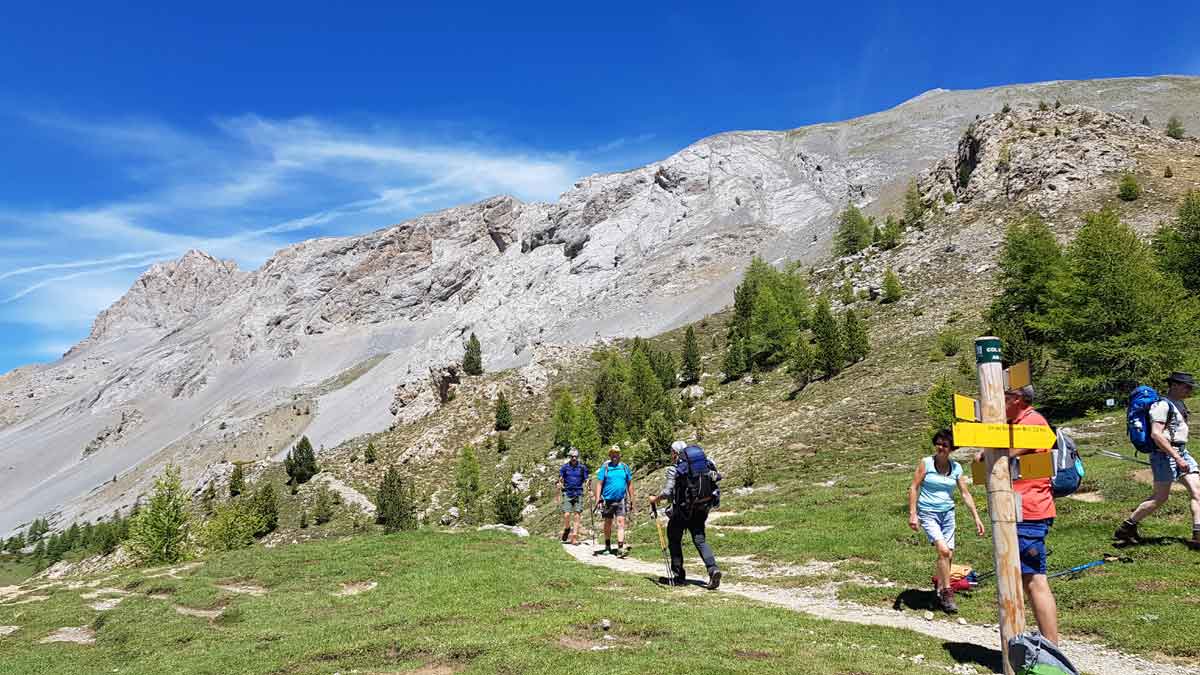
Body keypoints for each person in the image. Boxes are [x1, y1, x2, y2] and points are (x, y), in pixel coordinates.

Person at [977, 384, 1059, 643]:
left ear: (1018, 399)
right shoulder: (1018, 424)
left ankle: (1052, 646)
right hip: (1018, 509)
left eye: (1005, 398)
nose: (999, 403)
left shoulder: (1032, 422)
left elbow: (1000, 456)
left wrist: (988, 449)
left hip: (1030, 511)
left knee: (1034, 579)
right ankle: (1037, 641)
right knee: (1026, 577)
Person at [1115, 372, 1200, 548]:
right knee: (1160, 498)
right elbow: (1156, 434)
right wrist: (1175, 457)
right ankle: (1127, 526)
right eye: (1187, 386)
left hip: (1182, 452)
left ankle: (1197, 535)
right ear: (1174, 385)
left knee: (1197, 492)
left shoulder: (1179, 403)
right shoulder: (1161, 405)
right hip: (1165, 455)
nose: (1190, 390)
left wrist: (1180, 455)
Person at [908, 429, 985, 613]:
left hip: (948, 514)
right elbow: (913, 487)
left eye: (945, 445)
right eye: (939, 443)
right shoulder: (926, 463)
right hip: (928, 513)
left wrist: (976, 517)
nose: (941, 447)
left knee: (948, 555)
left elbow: (965, 493)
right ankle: (947, 592)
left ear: (952, 448)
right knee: (943, 550)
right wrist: (913, 513)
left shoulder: (956, 468)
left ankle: (939, 590)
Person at [647, 441, 722, 589]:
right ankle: (713, 569)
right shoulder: (705, 464)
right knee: (699, 539)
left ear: (675, 453)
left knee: (674, 538)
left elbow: (667, 493)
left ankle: (678, 575)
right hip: (702, 507)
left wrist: (654, 499)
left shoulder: (675, 469)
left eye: (671, 452)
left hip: (682, 510)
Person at [593, 445, 635, 556]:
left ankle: (620, 548)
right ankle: (607, 546)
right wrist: (597, 498)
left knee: (621, 522)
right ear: (610, 455)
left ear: (620, 455)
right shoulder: (605, 468)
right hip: (607, 500)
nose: (614, 456)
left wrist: (632, 499)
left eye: (616, 453)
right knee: (608, 523)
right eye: (612, 454)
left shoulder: (625, 467)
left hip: (621, 499)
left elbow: (629, 484)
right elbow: (599, 484)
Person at [557, 448, 590, 545]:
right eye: (572, 456)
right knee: (566, 514)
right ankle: (567, 528)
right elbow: (560, 478)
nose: (574, 458)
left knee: (577, 515)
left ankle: (574, 537)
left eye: (576, 456)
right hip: (567, 492)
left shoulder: (582, 468)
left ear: (578, 457)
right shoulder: (565, 467)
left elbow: (586, 479)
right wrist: (559, 483)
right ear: (570, 457)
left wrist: (588, 485)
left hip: (578, 493)